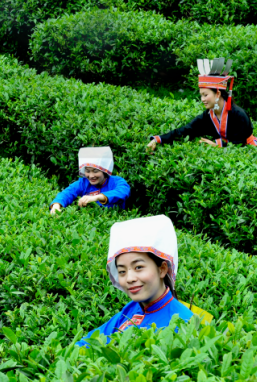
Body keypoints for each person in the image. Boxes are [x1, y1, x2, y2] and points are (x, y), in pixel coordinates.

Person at [77, 215, 198, 347]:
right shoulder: (131, 309)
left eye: (138, 267)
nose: (129, 278)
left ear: (162, 269)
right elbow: (90, 341)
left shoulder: (184, 322)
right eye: (122, 271)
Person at [146, 58, 257, 151]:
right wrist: (158, 140)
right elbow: (186, 131)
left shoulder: (239, 115)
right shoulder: (208, 116)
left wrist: (216, 145)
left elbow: (238, 144)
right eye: (201, 95)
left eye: (205, 95)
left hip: (249, 152)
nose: (202, 99)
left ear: (217, 93)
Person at [50, 146, 130, 213]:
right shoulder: (83, 183)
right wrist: (56, 205)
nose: (91, 176)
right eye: (87, 171)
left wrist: (97, 197)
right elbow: (67, 193)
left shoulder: (117, 181)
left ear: (104, 170)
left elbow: (122, 192)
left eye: (95, 171)